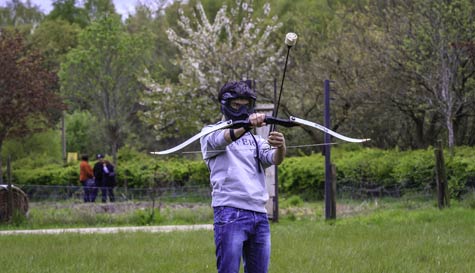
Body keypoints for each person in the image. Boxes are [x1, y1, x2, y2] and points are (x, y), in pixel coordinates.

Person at [200, 80, 287, 273]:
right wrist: (247, 125)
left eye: (245, 105)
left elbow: (274, 158)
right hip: (230, 212)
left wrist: (281, 146)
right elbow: (223, 139)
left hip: (259, 214)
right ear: (225, 104)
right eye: (235, 105)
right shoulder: (210, 133)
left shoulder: (256, 140)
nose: (241, 110)